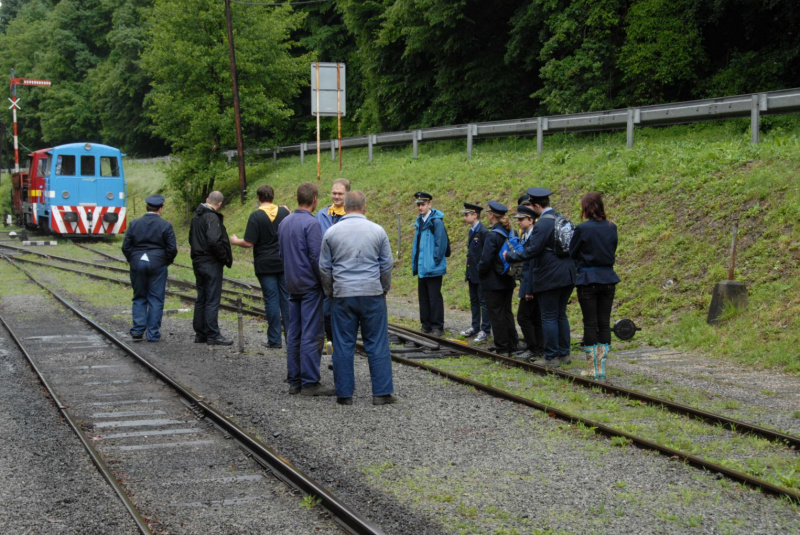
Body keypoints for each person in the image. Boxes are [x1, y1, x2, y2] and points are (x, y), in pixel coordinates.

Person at [320, 190, 397, 406]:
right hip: (372, 294)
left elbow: (324, 267)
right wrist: (383, 288)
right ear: (364, 207)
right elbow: (387, 264)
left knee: (343, 344)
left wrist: (331, 291)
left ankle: (345, 395)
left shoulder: (332, 232)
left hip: (343, 294)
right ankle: (381, 393)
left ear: (344, 206)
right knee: (377, 342)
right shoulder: (378, 231)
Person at [506, 187, 576, 367]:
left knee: (549, 316)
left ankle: (551, 356)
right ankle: (564, 353)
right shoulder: (561, 218)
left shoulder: (543, 223)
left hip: (550, 276)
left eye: (531, 205)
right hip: (567, 274)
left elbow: (532, 251)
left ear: (537, 205)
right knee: (561, 315)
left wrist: (510, 256)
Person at [278, 182, 333, 396]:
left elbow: (281, 253)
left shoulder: (284, 222)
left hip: (291, 283)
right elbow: (316, 258)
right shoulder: (312, 224)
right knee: (312, 332)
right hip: (309, 285)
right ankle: (310, 381)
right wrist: (325, 284)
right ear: (315, 199)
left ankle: (294, 380)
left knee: (294, 332)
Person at [230, 184, 290, 349]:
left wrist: (235, 241)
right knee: (286, 299)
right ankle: (292, 337)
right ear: (273, 197)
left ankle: (275, 339)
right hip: (283, 262)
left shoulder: (256, 216)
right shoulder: (284, 212)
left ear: (258, 198)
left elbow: (249, 243)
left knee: (271, 300)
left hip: (265, 264)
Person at [569, 192, 620, 379]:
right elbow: (612, 249)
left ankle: (592, 368)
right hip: (608, 278)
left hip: (587, 279)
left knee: (590, 323)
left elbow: (572, 253)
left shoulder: (582, 228)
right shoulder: (611, 227)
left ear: (586, 208)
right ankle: (602, 367)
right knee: (604, 323)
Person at [121, 195, 177, 342]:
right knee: (156, 298)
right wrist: (165, 261)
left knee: (139, 296)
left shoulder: (134, 224)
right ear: (160, 209)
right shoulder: (166, 225)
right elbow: (172, 249)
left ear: (147, 207)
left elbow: (126, 246)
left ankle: (138, 330)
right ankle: (153, 333)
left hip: (137, 261)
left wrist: (132, 260)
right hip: (157, 262)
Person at [189, 191, 234, 346]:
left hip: (198, 261)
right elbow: (214, 240)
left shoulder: (196, 217)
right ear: (220, 204)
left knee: (201, 298)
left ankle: (200, 333)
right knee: (212, 299)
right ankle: (213, 334)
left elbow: (191, 238)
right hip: (210, 262)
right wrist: (223, 257)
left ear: (207, 200)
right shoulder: (212, 217)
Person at [477, 201, 518, 356]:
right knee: (507, 312)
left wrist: (480, 271)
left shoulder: (492, 235)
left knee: (496, 314)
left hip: (493, 282)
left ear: (492, 215)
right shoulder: (510, 232)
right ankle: (512, 344)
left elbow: (485, 260)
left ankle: (502, 347)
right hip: (508, 279)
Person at [317, 178, 351, 345]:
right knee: (327, 316)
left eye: (340, 194)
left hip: (345, 275)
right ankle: (332, 352)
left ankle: (343, 353)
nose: (336, 196)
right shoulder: (322, 215)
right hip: (326, 275)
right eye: (334, 193)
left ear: (347, 195)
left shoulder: (353, 217)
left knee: (343, 317)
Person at [411, 191, 447, 336]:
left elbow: (441, 244)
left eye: (423, 204)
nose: (420, 207)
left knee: (434, 298)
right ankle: (426, 324)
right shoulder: (419, 221)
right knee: (424, 297)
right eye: (419, 205)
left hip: (432, 267)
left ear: (429, 205)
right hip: (422, 267)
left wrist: (434, 261)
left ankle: (437, 326)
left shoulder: (436, 222)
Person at [513, 204, 544, 360]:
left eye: (521, 219)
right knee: (535, 318)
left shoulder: (533, 237)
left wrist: (528, 290)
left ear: (530, 220)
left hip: (532, 285)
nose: (518, 222)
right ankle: (539, 347)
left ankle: (533, 348)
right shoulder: (529, 236)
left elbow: (531, 266)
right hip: (532, 283)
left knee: (523, 317)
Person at [460, 202, 491, 342]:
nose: (465, 217)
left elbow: (485, 254)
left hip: (480, 273)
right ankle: (475, 326)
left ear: (475, 215)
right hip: (472, 272)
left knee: (483, 301)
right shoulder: (472, 231)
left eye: (467, 215)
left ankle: (485, 329)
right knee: (474, 300)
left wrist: (481, 269)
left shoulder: (483, 232)